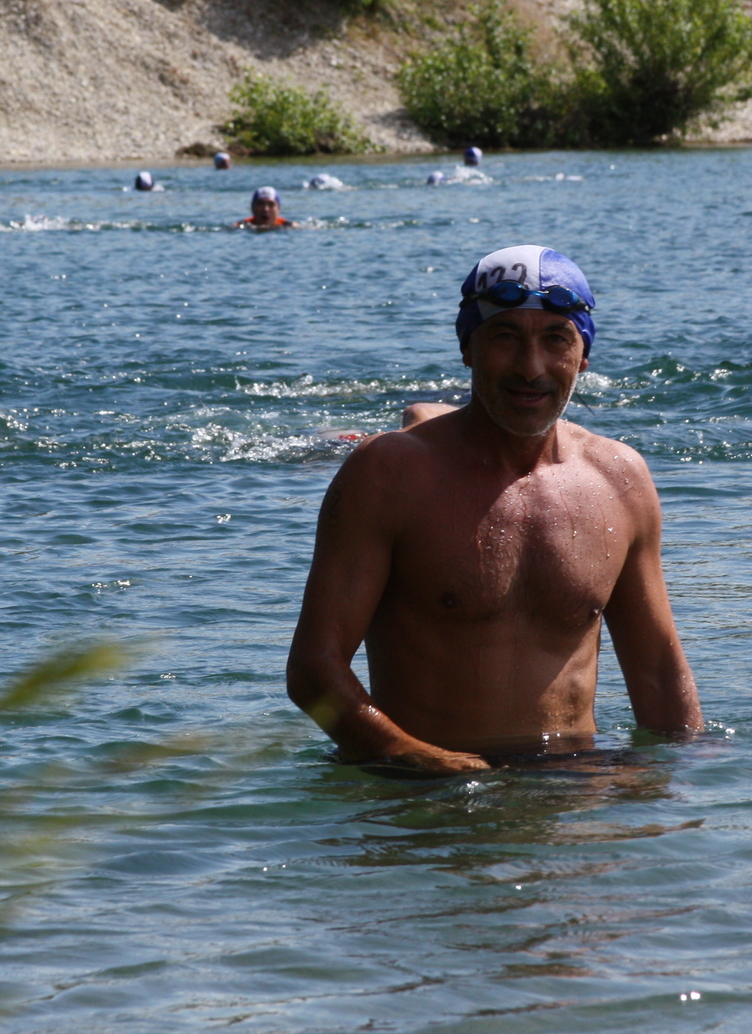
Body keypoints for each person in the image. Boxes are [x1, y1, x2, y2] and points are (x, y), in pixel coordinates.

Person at [285, 245, 702, 773]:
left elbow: (659, 676)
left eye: (556, 339)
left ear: (583, 356)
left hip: (573, 786)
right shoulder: (388, 474)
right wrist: (418, 758)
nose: (531, 367)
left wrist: (691, 790)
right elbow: (313, 671)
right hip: (427, 794)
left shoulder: (621, 479)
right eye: (505, 337)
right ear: (468, 347)